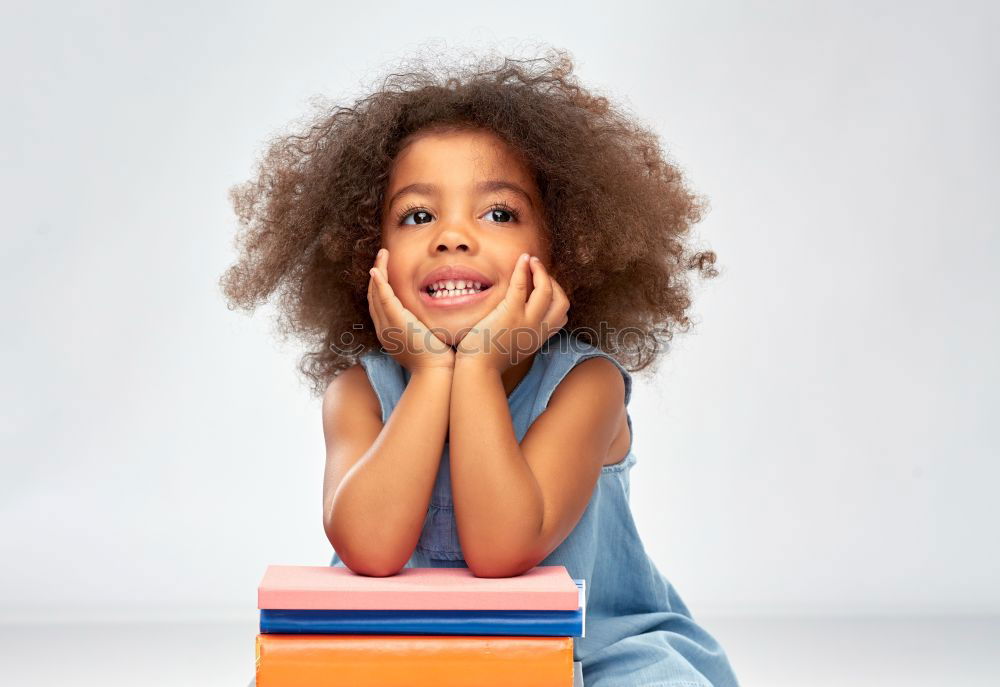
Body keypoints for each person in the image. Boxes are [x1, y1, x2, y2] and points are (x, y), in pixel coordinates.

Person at [221, 47, 741, 687]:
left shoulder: (585, 386)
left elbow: (503, 552)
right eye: (418, 215)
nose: (452, 236)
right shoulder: (358, 389)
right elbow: (370, 549)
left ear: (567, 247)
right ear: (368, 254)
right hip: (402, 655)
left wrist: (474, 370)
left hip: (595, 652)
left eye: (498, 213)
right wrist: (433, 374)